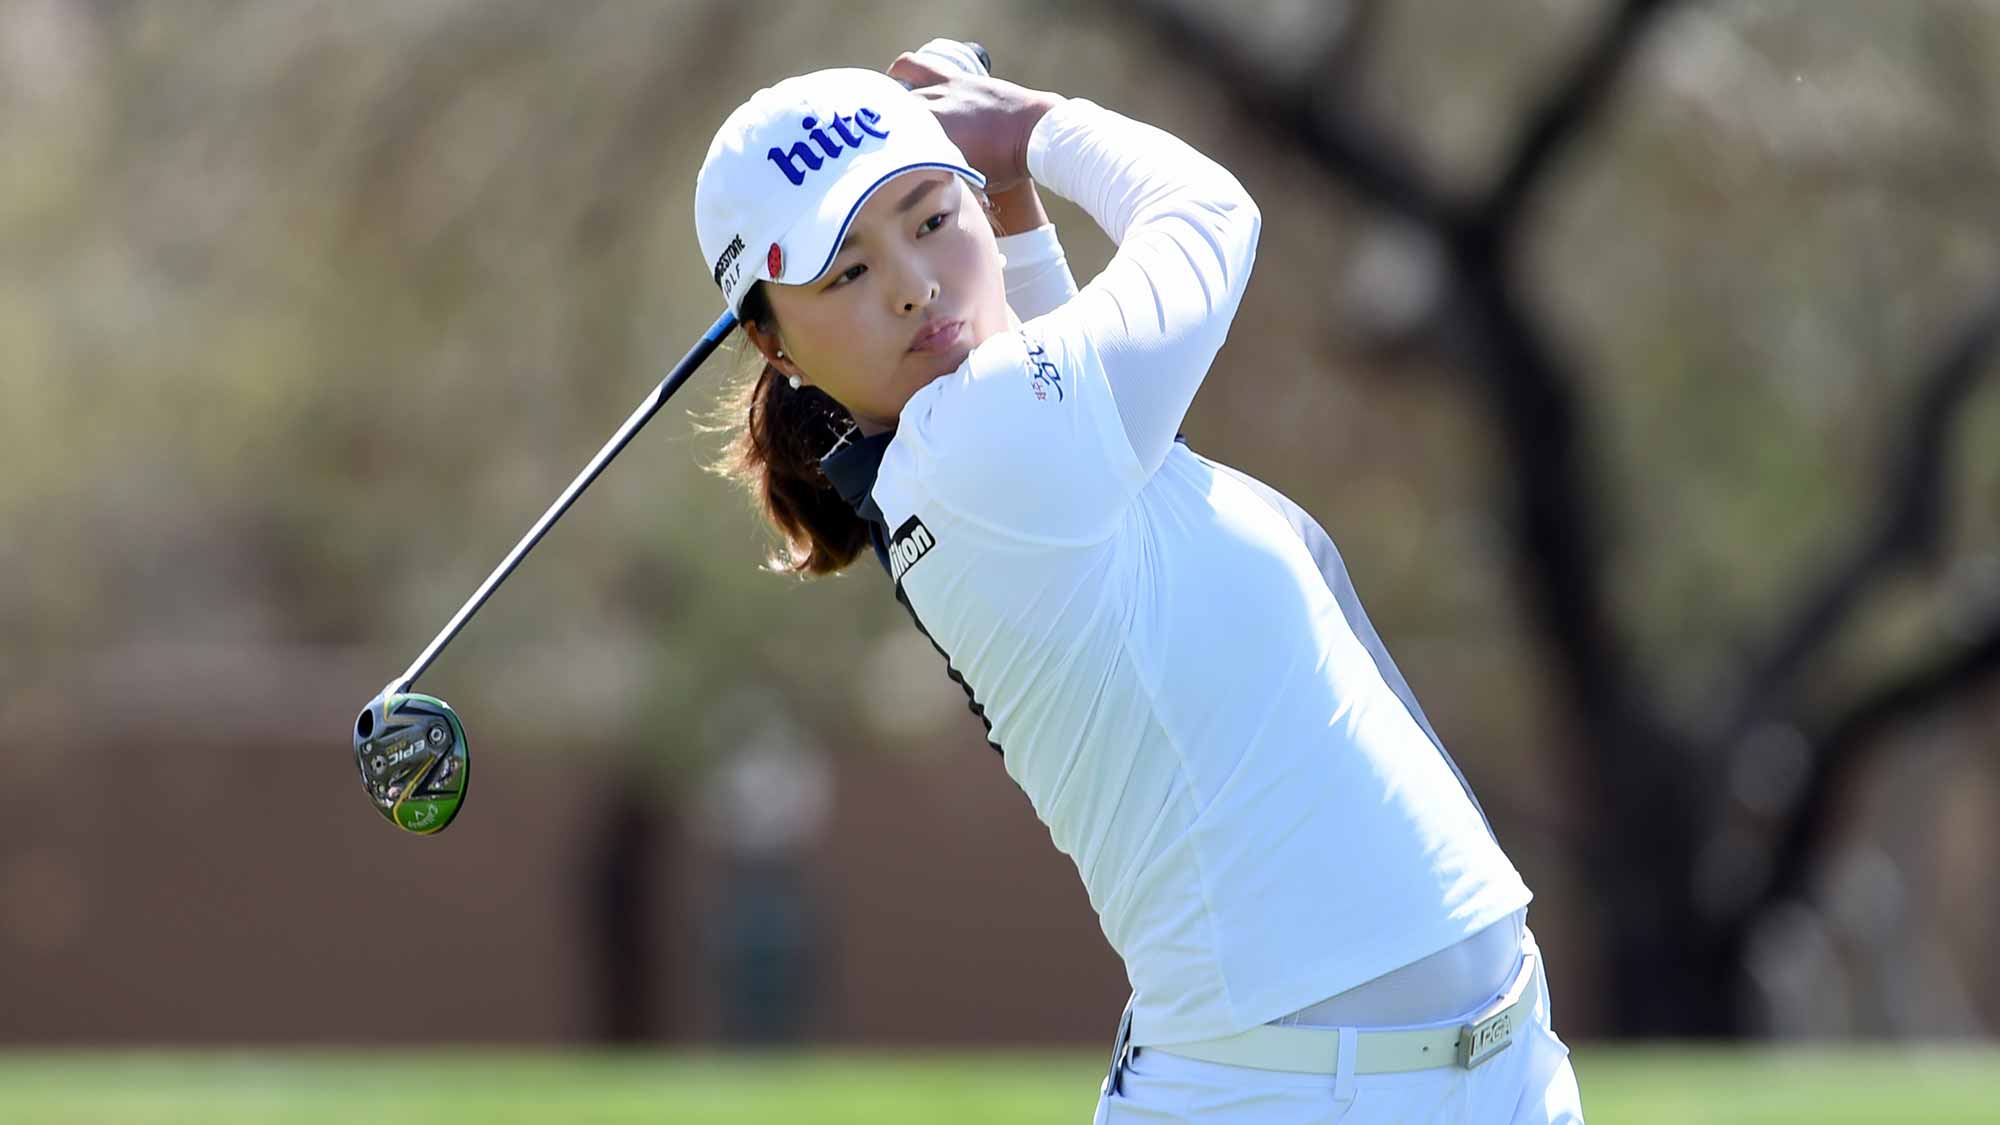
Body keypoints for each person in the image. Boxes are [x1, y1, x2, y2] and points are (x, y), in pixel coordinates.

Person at [693, 43, 1585, 1124]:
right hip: (1293, 1099)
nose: (914, 285)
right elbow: (1210, 217)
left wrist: (1010, 193)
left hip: (1485, 1071)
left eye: (932, 218)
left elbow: (1048, 346)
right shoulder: (981, 445)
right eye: (845, 272)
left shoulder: (1006, 445)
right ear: (769, 343)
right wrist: (1034, 124)